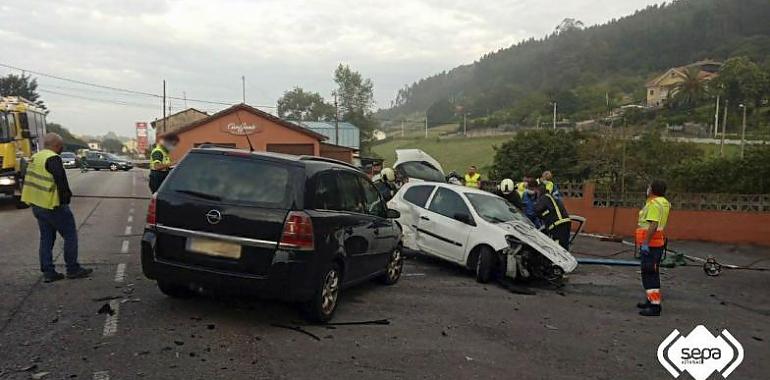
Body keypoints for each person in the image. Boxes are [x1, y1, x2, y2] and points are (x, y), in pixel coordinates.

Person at [21, 133, 93, 282]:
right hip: (52, 205)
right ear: (55, 145)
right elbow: (61, 182)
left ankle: (48, 272)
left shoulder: (36, 157)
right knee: (70, 235)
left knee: (46, 238)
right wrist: (65, 199)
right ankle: (72, 269)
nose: (61, 149)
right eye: (60, 146)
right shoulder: (53, 158)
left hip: (36, 204)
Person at [636, 180, 671, 317]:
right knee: (651, 272)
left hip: (651, 245)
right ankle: (651, 300)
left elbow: (653, 225)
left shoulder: (654, 204)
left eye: (649, 187)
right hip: (656, 243)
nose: (647, 189)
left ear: (652, 189)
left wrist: (645, 242)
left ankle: (655, 306)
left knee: (649, 274)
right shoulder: (663, 202)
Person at [533, 182, 571, 250]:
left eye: (536, 192)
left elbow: (536, 210)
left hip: (558, 225)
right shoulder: (551, 197)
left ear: (538, 191)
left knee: (558, 249)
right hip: (565, 223)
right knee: (564, 247)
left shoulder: (544, 198)